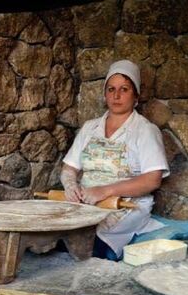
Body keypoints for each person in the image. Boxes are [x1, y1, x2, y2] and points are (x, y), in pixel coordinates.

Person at [60, 59, 170, 260]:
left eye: (124, 89)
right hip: (86, 203)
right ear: (105, 94)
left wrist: (105, 191)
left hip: (125, 207)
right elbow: (69, 168)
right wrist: (69, 186)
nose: (116, 95)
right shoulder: (89, 128)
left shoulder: (145, 130)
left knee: (91, 248)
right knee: (57, 240)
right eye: (111, 89)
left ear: (135, 95)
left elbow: (152, 180)